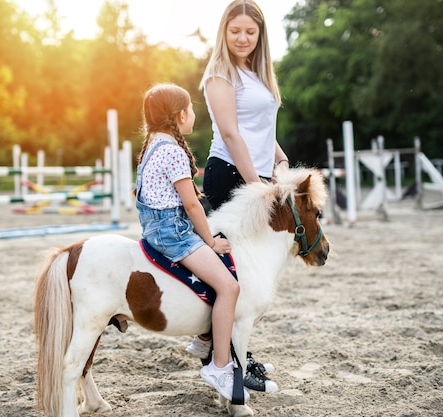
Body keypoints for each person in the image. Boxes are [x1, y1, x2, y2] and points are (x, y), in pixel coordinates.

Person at [184, 0, 287, 393]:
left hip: (254, 174)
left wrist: (279, 159)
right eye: (235, 31)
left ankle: (224, 348)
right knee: (234, 270)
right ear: (223, 33)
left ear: (260, 35)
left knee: (248, 271)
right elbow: (231, 133)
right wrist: (257, 184)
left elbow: (260, 128)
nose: (242, 38)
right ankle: (216, 352)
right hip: (230, 175)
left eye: (250, 31)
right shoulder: (220, 74)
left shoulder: (256, 73)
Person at [135, 83, 248, 402]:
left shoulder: (152, 146)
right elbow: (193, 205)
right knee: (230, 287)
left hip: (155, 228)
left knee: (221, 271)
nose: (195, 114)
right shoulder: (171, 151)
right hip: (173, 232)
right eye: (193, 108)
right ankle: (219, 365)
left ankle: (203, 336)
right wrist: (209, 240)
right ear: (180, 114)